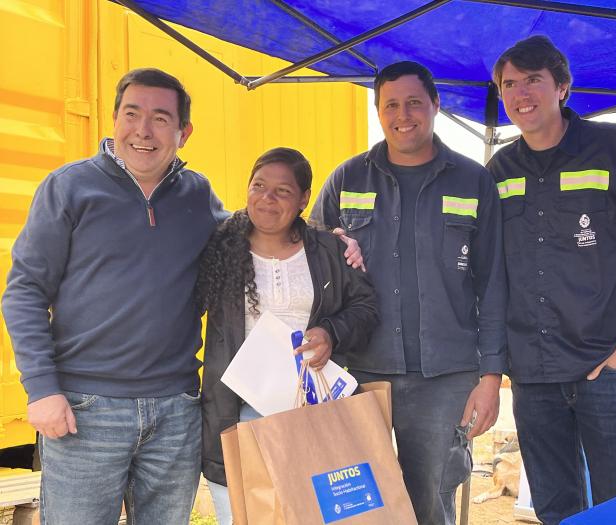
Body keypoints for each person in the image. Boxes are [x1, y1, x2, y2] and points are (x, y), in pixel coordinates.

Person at [1, 68, 229, 524]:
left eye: (161, 118)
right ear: (114, 119)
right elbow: (24, 290)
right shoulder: (69, 187)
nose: (143, 130)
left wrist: (331, 242)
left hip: (175, 412)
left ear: (184, 132)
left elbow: (257, 242)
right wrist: (42, 389)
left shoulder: (198, 194)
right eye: (132, 114)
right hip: (84, 410)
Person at [488, 35, 616, 524]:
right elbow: (489, 274)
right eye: (508, 84)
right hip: (535, 376)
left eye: (532, 79)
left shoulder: (615, 147)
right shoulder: (499, 169)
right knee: (556, 510)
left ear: (562, 86)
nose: (519, 93)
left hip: (608, 369)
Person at [311, 61, 507, 524]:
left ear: (435, 105)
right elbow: (309, 257)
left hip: (444, 378)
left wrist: (492, 376)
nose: (404, 114)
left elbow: (494, 282)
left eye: (414, 102)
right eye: (391, 105)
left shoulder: (472, 180)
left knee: (429, 503)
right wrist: (334, 243)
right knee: (359, 506)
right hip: (359, 371)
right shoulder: (347, 178)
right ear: (379, 111)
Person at [195, 147, 379, 524]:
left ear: (304, 200)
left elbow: (367, 309)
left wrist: (331, 332)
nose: (267, 198)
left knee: (316, 515)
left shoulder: (330, 250)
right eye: (259, 185)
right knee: (246, 516)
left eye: (283, 190)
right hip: (239, 414)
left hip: (316, 414)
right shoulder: (220, 248)